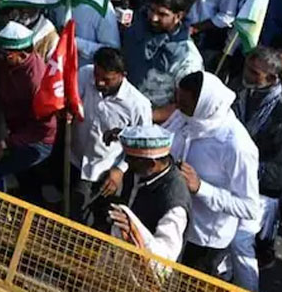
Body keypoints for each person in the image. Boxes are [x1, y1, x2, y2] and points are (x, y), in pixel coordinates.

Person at [168, 71, 260, 278]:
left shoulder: (237, 147)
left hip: (203, 240)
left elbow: (249, 207)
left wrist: (201, 188)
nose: (178, 109)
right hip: (174, 222)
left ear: (203, 106)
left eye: (184, 105)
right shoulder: (186, 116)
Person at [0, 21, 57, 196]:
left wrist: (4, 144)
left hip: (36, 141)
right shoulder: (9, 63)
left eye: (6, 55)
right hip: (15, 131)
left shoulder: (36, 82)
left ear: (24, 53)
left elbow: (44, 128)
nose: (2, 58)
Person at [229, 48, 282, 286]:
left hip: (262, 192)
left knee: (239, 241)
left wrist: (244, 168)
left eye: (254, 72)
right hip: (232, 179)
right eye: (247, 67)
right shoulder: (241, 90)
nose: (246, 74)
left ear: (272, 79)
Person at [69, 47, 152, 225]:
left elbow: (142, 147)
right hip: (72, 158)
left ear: (123, 75)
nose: (99, 83)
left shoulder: (138, 105)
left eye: (106, 80)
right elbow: (71, 98)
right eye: (97, 76)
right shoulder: (85, 74)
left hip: (101, 171)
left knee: (82, 217)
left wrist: (120, 170)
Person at [103, 125, 191, 263]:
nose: (126, 163)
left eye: (131, 159)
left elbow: (164, 259)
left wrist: (135, 231)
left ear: (151, 164)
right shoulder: (142, 170)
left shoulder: (174, 204)